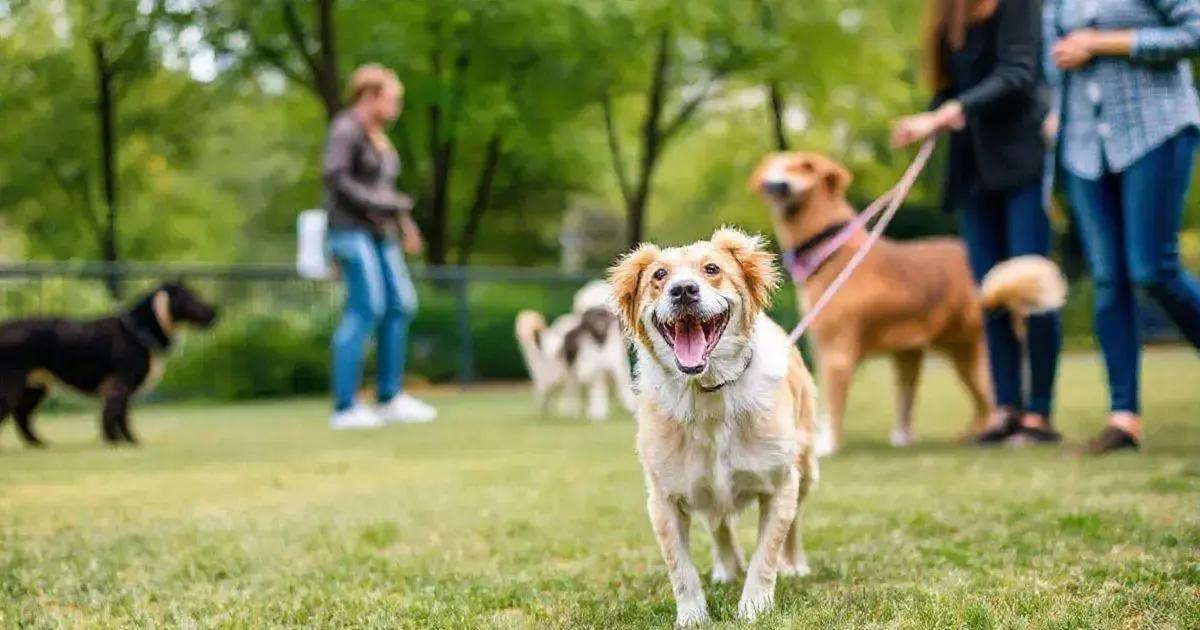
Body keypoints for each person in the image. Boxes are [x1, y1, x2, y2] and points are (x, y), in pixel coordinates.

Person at [892, 0, 1064, 445]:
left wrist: (953, 111)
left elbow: (1018, 74)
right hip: (972, 173)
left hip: (1021, 162)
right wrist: (927, 121)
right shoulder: (949, 13)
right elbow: (951, 87)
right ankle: (1004, 408)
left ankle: (1038, 413)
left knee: (1031, 287)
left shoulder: (1017, 6)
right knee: (988, 295)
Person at [1047, 0, 1200, 453]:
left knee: (1153, 268)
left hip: (1156, 127)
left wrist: (1102, 43)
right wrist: (1054, 108)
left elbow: (1192, 33)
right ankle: (1123, 418)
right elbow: (1051, 53)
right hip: (1082, 144)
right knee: (1109, 280)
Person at [322, 64, 436, 429]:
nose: (397, 107)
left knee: (400, 304)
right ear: (370, 96)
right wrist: (384, 205)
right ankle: (345, 407)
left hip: (380, 233)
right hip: (349, 231)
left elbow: (386, 193)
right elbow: (336, 178)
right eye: (392, 99)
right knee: (365, 308)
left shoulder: (379, 139)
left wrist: (405, 224)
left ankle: (389, 398)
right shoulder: (345, 129)